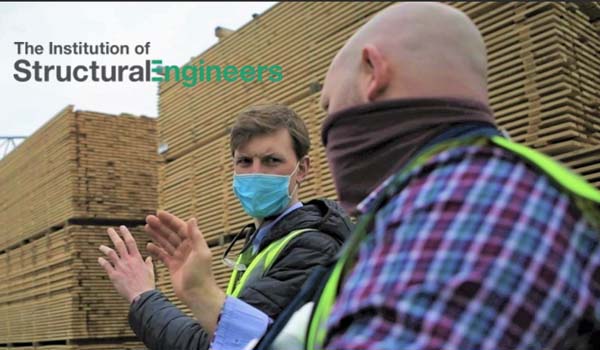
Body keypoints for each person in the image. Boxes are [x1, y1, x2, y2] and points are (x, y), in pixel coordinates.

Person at [210, 2, 600, 349]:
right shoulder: (427, 205)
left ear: (372, 72)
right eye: (244, 162)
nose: (330, 133)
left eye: (328, 106)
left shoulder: (477, 209)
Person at [97, 104, 352, 349]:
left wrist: (143, 295)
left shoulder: (313, 248)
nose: (255, 172)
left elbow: (216, 344)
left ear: (303, 169)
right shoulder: (264, 243)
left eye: (271, 160)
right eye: (244, 161)